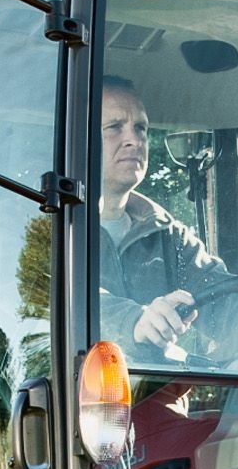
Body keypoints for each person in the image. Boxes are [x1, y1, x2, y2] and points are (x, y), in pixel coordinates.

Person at [94, 75, 231, 360]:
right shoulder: (35, 224)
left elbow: (226, 296)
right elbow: (45, 300)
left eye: (140, 128)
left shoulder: (167, 235)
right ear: (78, 136)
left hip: (157, 398)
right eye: (114, 127)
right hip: (62, 398)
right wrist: (133, 321)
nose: (134, 140)